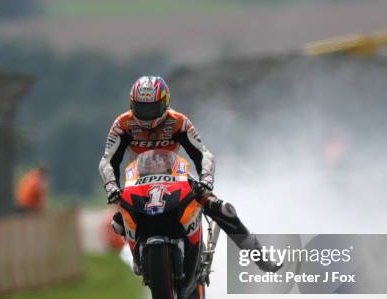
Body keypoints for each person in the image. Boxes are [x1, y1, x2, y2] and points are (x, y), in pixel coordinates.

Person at [98, 76, 276, 273]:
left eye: (151, 108)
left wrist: (206, 180)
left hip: (175, 175)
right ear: (132, 104)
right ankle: (137, 255)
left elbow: (203, 154)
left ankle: (259, 256)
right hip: (138, 180)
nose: (146, 116)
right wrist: (112, 187)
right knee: (118, 222)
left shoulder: (179, 122)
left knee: (221, 208)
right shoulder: (122, 124)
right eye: (141, 108)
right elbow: (108, 160)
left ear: (164, 103)